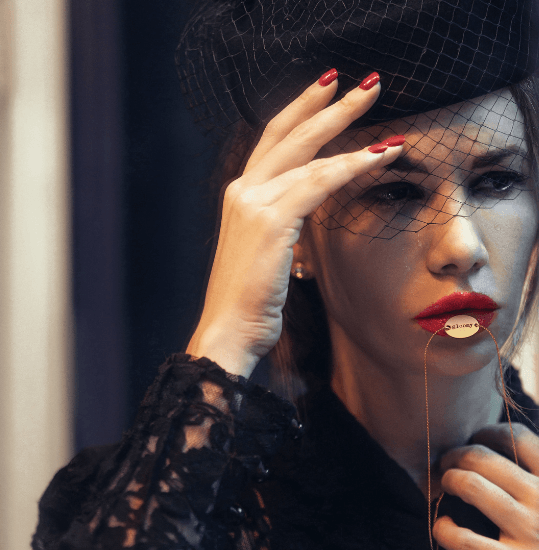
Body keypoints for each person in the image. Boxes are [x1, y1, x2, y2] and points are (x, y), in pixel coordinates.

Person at [33, 1, 539, 549]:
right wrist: (224, 336)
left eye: (497, 182)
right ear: (294, 238)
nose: (461, 247)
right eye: (395, 191)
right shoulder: (179, 508)